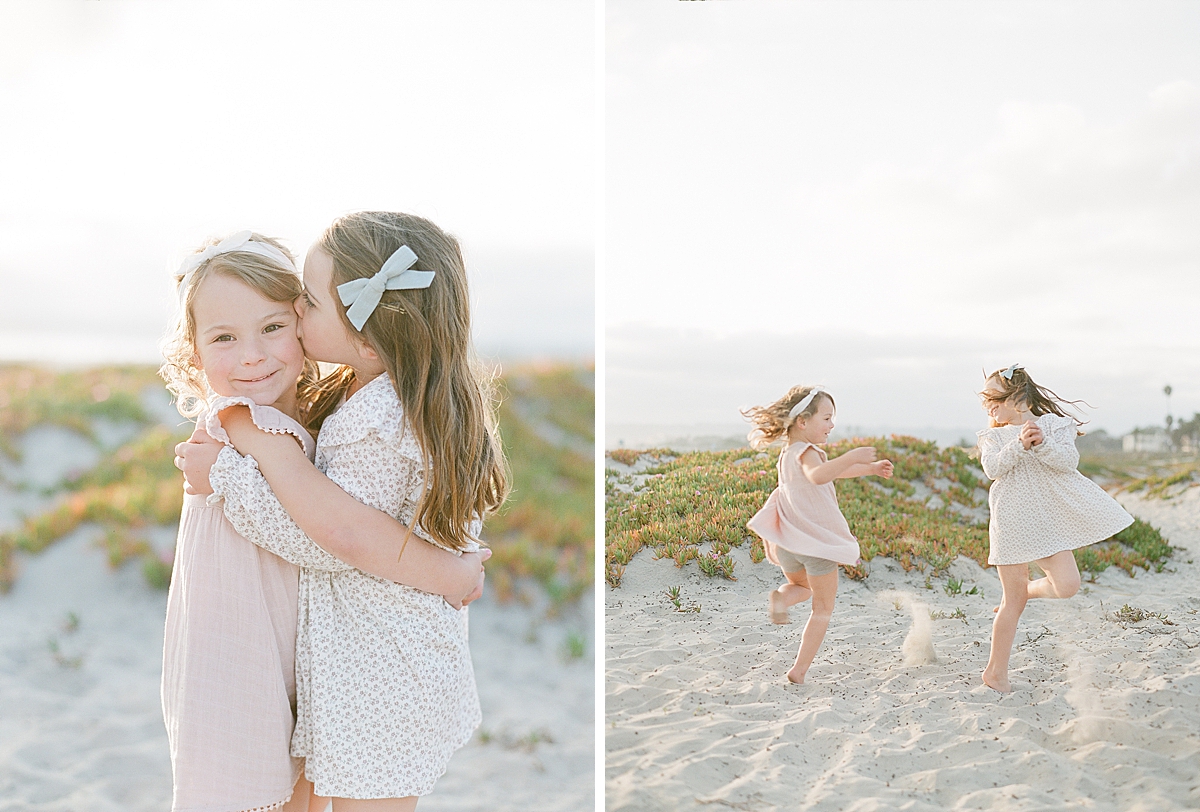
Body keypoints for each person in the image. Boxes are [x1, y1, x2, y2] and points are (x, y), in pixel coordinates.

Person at [178, 212, 510, 810]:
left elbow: (337, 536)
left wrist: (230, 470)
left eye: (305, 303)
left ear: (364, 329)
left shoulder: (372, 422)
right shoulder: (386, 399)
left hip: (376, 674)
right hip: (378, 667)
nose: (299, 313)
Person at [977, 364, 1133, 693]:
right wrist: (1018, 444)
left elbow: (1067, 463)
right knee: (1011, 604)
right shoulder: (992, 436)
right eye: (985, 400)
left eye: (994, 398)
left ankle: (1028, 590)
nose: (988, 406)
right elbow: (992, 469)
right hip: (1011, 523)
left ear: (1017, 396)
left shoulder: (1055, 426)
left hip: (1047, 523)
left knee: (1068, 585)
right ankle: (995, 673)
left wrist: (1040, 442)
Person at [743, 385, 893, 684]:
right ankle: (798, 670)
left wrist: (870, 468)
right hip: (815, 544)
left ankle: (782, 599)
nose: (831, 425)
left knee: (802, 586)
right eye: (826, 418)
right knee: (823, 609)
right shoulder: (808, 452)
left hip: (790, 543)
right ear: (803, 421)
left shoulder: (788, 453)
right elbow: (819, 475)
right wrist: (851, 455)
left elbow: (831, 471)